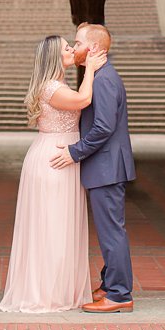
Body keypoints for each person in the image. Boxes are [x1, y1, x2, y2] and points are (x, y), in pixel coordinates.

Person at [0, 36, 107, 313]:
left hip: (62, 157)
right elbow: (84, 100)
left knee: (61, 226)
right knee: (52, 227)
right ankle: (45, 293)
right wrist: (92, 68)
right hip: (53, 160)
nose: (72, 49)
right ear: (54, 58)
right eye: (67, 48)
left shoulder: (58, 85)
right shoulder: (51, 88)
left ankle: (60, 289)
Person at [50, 22, 137, 312]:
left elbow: (102, 128)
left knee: (112, 231)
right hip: (104, 166)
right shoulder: (98, 76)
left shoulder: (104, 79)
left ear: (95, 48)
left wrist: (75, 152)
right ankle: (110, 284)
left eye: (77, 42)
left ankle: (120, 295)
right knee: (108, 230)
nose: (74, 48)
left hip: (107, 166)